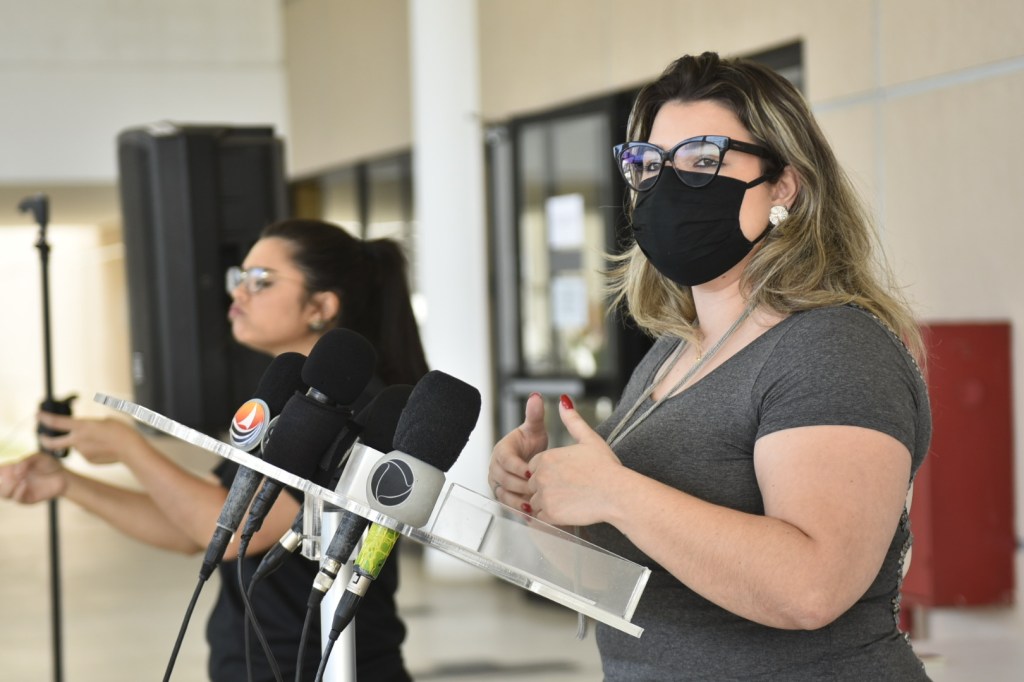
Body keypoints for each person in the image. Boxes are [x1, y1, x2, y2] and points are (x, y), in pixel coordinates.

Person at [489, 52, 931, 681]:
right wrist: (538, 503)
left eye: (703, 161)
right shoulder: (672, 354)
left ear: (784, 186)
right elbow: (629, 580)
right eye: (649, 165)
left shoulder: (833, 348)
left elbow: (812, 588)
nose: (668, 187)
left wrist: (617, 491)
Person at [0, 218, 426, 682]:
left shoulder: (360, 410)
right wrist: (68, 483)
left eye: (261, 281)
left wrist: (128, 446)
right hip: (249, 662)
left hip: (323, 668)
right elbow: (194, 529)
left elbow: (233, 526)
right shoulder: (287, 400)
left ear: (321, 306)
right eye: (238, 278)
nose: (239, 293)